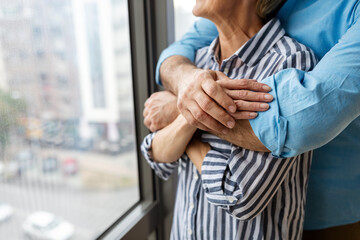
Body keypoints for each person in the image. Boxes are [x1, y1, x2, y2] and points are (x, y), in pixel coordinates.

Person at [144, 0, 360, 238]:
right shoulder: (205, 53)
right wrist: (189, 92)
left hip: (332, 219)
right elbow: (155, 154)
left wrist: (187, 113)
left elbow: (300, 120)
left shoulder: (291, 59)